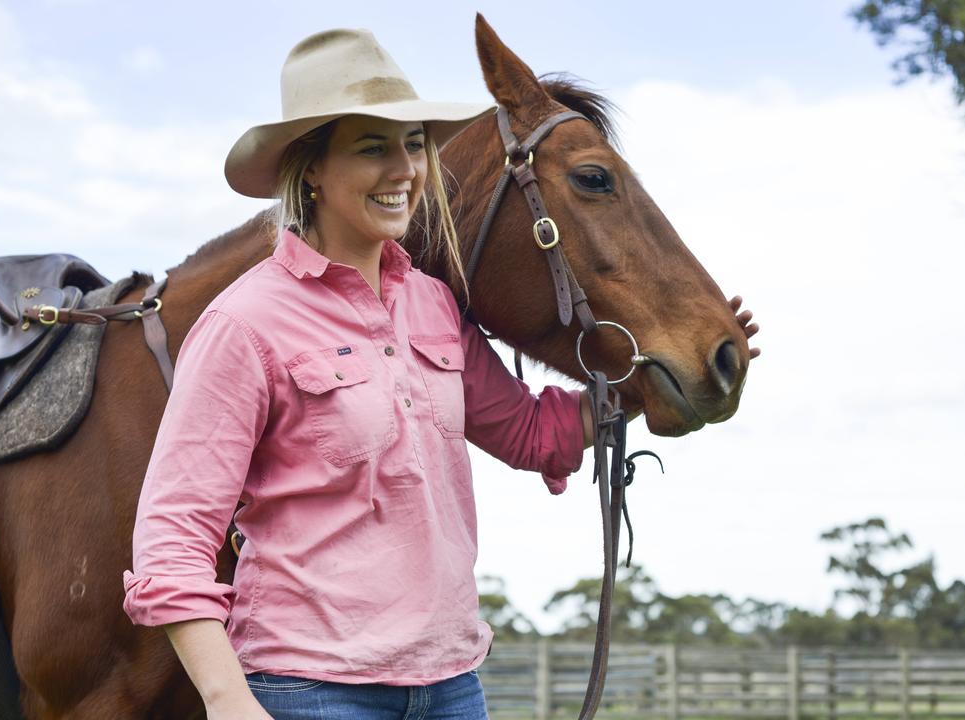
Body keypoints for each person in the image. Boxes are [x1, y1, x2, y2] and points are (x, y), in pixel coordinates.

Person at [123, 27, 758, 720]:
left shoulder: (430, 304)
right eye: (372, 148)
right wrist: (227, 698)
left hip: (451, 685)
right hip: (309, 690)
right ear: (311, 169)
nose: (405, 169)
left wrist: (648, 373)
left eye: (415, 144)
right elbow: (173, 538)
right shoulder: (244, 323)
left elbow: (530, 433)